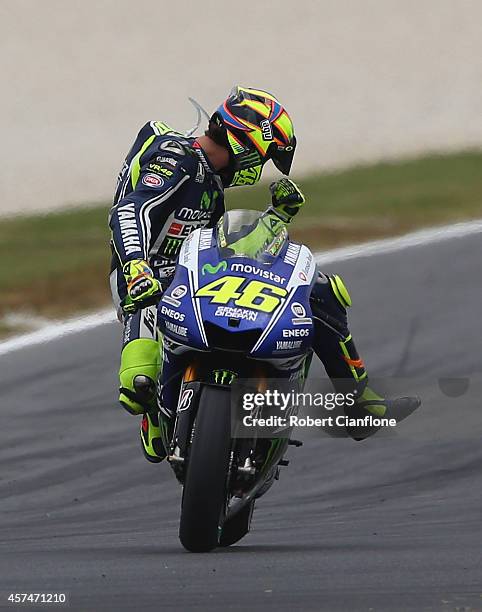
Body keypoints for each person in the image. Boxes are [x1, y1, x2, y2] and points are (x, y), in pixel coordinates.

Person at [109, 86, 419, 462]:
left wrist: (277, 217)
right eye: (266, 155)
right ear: (248, 142)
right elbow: (130, 211)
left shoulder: (212, 186)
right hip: (145, 278)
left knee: (319, 293)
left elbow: (227, 249)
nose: (262, 166)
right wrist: (136, 265)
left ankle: (356, 404)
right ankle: (158, 414)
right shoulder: (177, 157)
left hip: (193, 274)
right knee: (138, 382)